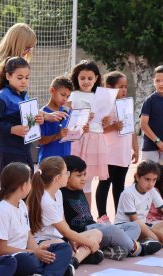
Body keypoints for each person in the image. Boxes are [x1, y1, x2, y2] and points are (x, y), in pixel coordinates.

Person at [61, 155, 161, 261]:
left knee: (134, 226)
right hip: (83, 233)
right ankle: (140, 249)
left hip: (93, 227)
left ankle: (112, 250)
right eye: (79, 175)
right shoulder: (60, 193)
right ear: (66, 175)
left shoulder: (79, 189)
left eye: (85, 174)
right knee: (112, 229)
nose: (83, 179)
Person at [0, 162, 74, 276]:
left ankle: (46, 273)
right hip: (5, 258)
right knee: (27, 261)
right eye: (29, 181)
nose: (31, 183)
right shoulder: (1, 211)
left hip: (26, 252)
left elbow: (28, 235)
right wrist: (33, 252)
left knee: (64, 248)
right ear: (23, 186)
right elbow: (0, 249)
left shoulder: (21, 204)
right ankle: (54, 270)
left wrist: (37, 250)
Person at [26, 156, 104, 271]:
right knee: (63, 245)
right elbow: (64, 231)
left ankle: (74, 261)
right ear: (57, 178)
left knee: (97, 233)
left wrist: (73, 240)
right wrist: (90, 244)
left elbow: (64, 224)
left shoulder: (58, 193)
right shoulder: (45, 200)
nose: (68, 175)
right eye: (66, 173)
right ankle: (77, 258)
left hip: (61, 239)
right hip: (44, 242)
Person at [96, 71, 140, 224]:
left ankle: (120, 216)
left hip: (123, 153)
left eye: (125, 87)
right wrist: (113, 126)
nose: (124, 90)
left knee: (119, 186)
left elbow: (131, 129)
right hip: (108, 153)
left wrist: (135, 148)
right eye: (120, 87)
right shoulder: (103, 105)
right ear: (109, 87)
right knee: (104, 184)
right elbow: (98, 128)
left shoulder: (126, 104)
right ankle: (102, 216)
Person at [0, 57, 44, 176]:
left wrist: (37, 119)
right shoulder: (1, 97)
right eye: (20, 78)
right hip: (8, 150)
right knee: (11, 189)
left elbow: (28, 120)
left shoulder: (25, 96)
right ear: (8, 76)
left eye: (27, 77)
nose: (24, 81)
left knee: (27, 187)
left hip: (24, 149)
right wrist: (12, 129)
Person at [114, 160, 163, 248]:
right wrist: (158, 234)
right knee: (146, 230)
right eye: (147, 179)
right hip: (127, 228)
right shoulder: (128, 193)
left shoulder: (152, 191)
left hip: (144, 227)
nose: (151, 184)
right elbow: (135, 221)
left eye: (154, 180)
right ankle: (157, 241)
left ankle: (156, 241)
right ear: (137, 177)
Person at [68, 60, 109, 206]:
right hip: (78, 140)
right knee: (72, 178)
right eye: (82, 78)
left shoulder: (100, 96)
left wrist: (106, 120)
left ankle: (87, 217)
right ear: (76, 78)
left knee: (87, 181)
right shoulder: (72, 95)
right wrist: (82, 116)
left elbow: (105, 120)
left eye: (90, 78)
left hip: (95, 140)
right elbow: (67, 117)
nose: (86, 81)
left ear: (96, 78)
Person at [0, 23, 37, 107]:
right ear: (17, 45)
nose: (28, 52)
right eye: (27, 48)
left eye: (31, 48)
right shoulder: (4, 66)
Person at [38, 76, 74, 162]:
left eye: (68, 96)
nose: (65, 99)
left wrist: (79, 131)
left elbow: (71, 137)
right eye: (62, 95)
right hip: (48, 162)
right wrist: (58, 135)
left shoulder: (68, 112)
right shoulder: (42, 114)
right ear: (52, 90)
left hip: (65, 160)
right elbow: (41, 141)